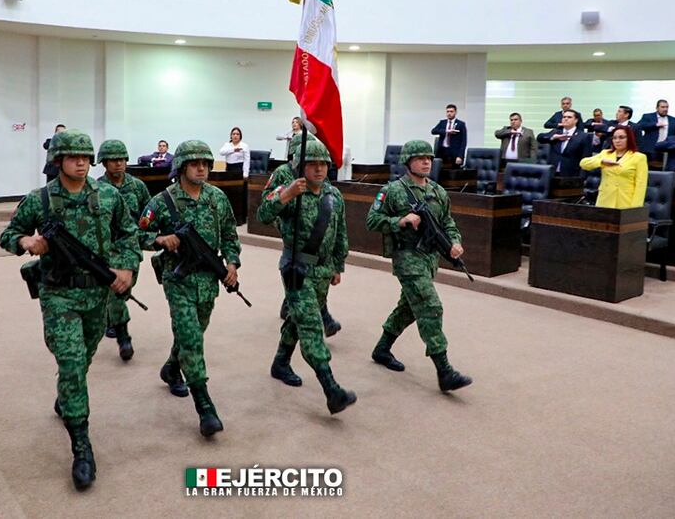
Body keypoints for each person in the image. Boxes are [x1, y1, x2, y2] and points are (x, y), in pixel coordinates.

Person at [0, 130, 140, 490]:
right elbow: (8, 234)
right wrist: (26, 240)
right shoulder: (40, 200)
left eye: (85, 157)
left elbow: (128, 234)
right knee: (73, 362)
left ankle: (66, 396)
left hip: (97, 295)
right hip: (58, 294)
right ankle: (81, 445)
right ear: (58, 160)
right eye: (73, 156)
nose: (80, 162)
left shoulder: (108, 196)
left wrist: (126, 268)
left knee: (85, 357)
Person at [138, 141, 241, 438]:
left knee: (194, 331)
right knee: (191, 338)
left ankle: (172, 368)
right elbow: (136, 234)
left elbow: (230, 236)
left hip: (209, 280)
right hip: (178, 279)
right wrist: (160, 240)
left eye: (206, 164)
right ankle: (205, 406)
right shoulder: (162, 201)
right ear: (181, 167)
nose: (202, 168)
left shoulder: (217, 198)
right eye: (195, 164)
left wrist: (232, 263)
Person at [257, 139, 356, 413]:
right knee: (311, 324)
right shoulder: (292, 191)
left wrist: (338, 265)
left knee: (297, 318)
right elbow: (263, 214)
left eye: (323, 164)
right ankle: (332, 390)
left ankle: (280, 363)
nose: (319, 169)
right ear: (301, 166)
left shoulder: (334, 195)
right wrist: (285, 195)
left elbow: (340, 234)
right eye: (312, 164)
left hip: (323, 270)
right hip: (297, 269)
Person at [366, 140, 472, 392]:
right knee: (430, 306)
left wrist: (455, 242)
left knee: (409, 307)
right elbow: (372, 220)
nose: (426, 162)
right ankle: (444, 371)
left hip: (429, 258)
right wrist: (400, 220)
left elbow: (447, 223)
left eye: (429, 158)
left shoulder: (438, 191)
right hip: (406, 257)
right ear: (408, 161)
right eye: (420, 158)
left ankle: (382, 349)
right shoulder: (393, 190)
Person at [96, 140, 151, 361]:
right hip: (106, 250)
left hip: (130, 247)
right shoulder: (96, 189)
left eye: (121, 159)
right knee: (116, 291)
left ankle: (112, 317)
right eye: (113, 160)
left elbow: (149, 213)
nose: (118, 163)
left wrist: (149, 233)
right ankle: (123, 337)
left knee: (124, 289)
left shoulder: (137, 187)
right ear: (104, 162)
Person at [579, 126, 649, 209]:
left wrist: (635, 208)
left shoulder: (639, 157)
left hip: (625, 201)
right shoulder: (606, 153)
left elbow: (641, 185)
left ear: (629, 139)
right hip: (605, 200)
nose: (617, 141)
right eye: (614, 138)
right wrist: (601, 162)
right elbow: (583, 163)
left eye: (621, 137)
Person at [538, 109, 591, 177]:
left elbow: (586, 158)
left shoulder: (583, 136)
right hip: (552, 173)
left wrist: (582, 177)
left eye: (569, 117)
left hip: (572, 174)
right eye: (564, 117)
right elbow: (540, 138)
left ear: (576, 120)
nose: (566, 119)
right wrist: (553, 137)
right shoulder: (556, 132)